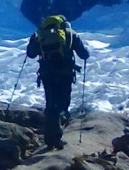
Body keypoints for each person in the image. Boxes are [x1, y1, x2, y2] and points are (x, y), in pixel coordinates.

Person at [26, 15, 90, 149]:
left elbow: (31, 54)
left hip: (47, 74)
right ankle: (56, 138)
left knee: (51, 102)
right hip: (65, 74)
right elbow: (84, 54)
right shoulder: (70, 34)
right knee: (62, 103)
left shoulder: (41, 35)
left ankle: (50, 137)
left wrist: (33, 41)